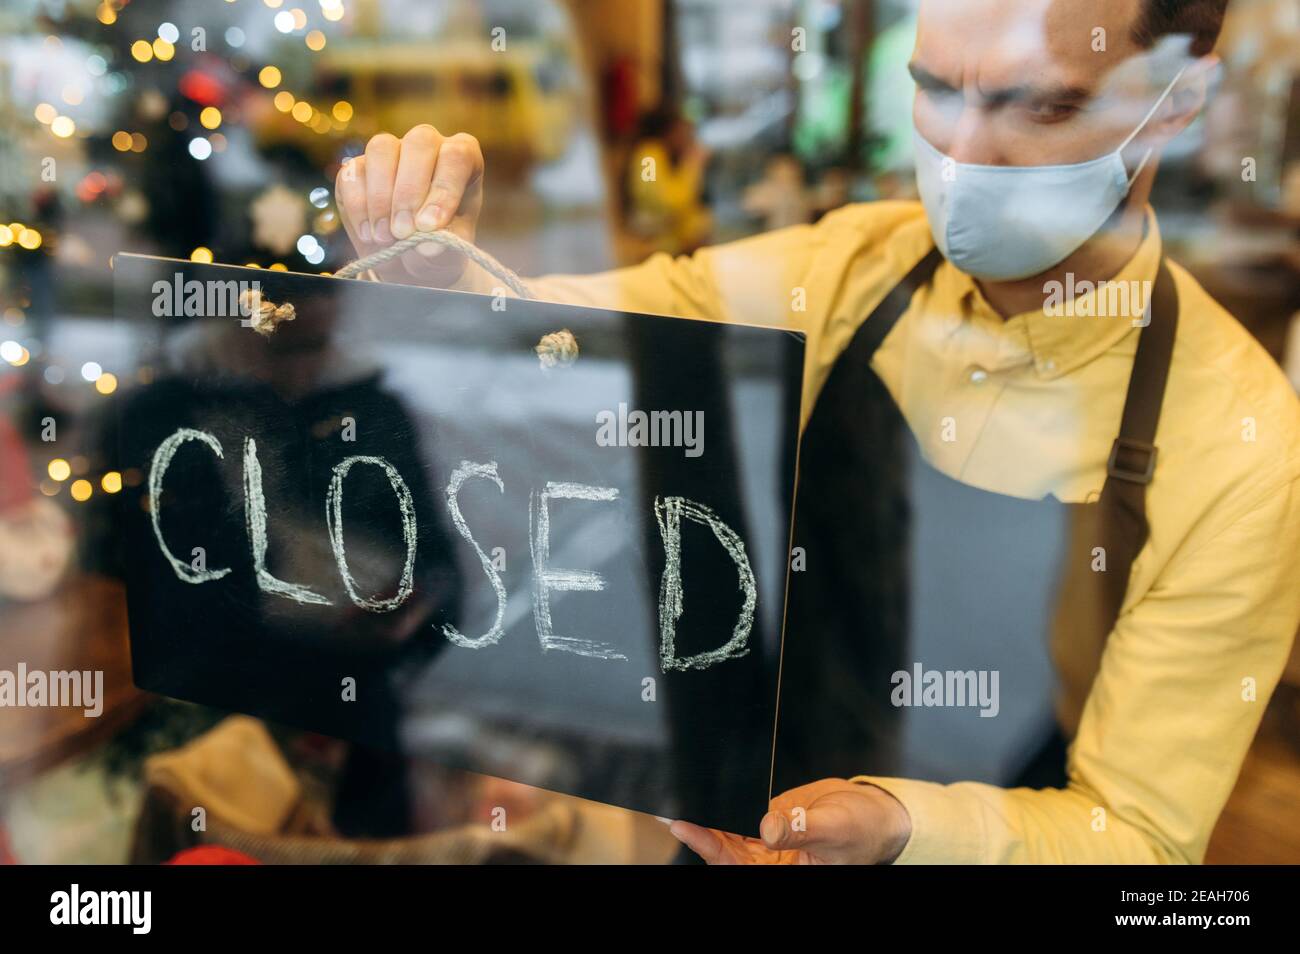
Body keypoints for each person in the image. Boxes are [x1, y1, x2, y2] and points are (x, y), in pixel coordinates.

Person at [334, 0, 1300, 864]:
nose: (964, 153)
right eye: (934, 89)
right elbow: (584, 339)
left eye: (1039, 105)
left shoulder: (1243, 445)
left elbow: (1138, 835)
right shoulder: (849, 267)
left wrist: (903, 829)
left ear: (1175, 99)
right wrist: (439, 277)